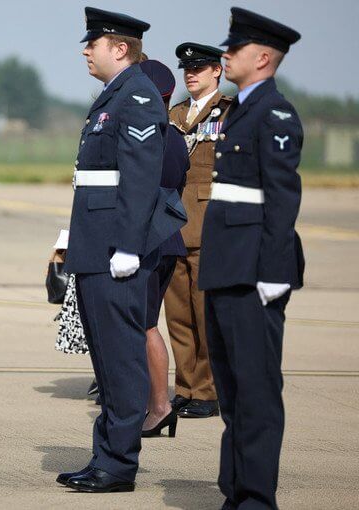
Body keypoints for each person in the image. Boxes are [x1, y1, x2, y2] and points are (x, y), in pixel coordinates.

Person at [57, 7, 174, 493]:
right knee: (106, 358)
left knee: (121, 357)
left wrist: (128, 247)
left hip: (115, 251)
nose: (86, 50)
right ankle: (105, 454)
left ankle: (118, 465)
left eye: (95, 43)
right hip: (95, 244)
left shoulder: (139, 96)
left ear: (120, 48)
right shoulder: (115, 96)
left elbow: (142, 180)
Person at [198, 8, 303, 509]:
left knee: (257, 392)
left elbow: (283, 200)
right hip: (227, 266)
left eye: (234, 49)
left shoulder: (274, 113)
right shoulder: (238, 108)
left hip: (255, 271)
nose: (225, 55)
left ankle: (256, 500)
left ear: (262, 58)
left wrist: (276, 272)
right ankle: (236, 492)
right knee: (235, 392)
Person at [165, 43, 234, 419]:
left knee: (206, 312)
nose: (190, 74)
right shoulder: (173, 113)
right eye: (186, 69)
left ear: (217, 71)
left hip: (209, 227)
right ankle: (185, 387)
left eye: (200, 67)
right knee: (177, 314)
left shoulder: (229, 112)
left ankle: (208, 391)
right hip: (173, 226)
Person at [137, 59, 189, 438]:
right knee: (147, 324)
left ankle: (158, 405)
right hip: (170, 237)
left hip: (144, 240)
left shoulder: (148, 133)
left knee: (142, 327)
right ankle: (156, 404)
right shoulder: (175, 136)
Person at [50, 229, 99, 401]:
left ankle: (110, 379)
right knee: (92, 322)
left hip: (103, 246)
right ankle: (104, 377)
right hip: (87, 241)